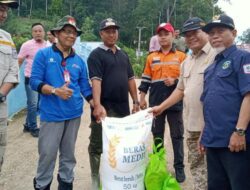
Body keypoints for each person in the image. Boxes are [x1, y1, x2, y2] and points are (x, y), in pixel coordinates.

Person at [30, 15, 103, 190]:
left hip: (74, 114)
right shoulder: (43, 54)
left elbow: (85, 86)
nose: (71, 36)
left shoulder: (78, 61)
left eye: (74, 33)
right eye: (67, 32)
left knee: (68, 155)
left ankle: (66, 183)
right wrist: (55, 90)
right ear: (56, 33)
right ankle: (42, 184)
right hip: (52, 115)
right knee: (47, 154)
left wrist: (96, 105)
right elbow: (34, 82)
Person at [150, 17, 216, 190]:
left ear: (206, 33)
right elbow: (181, 90)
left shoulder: (217, 54)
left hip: (213, 128)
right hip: (193, 126)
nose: (191, 37)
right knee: (197, 168)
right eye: (188, 34)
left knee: (216, 170)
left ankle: (182, 170)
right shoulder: (187, 61)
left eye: (196, 32)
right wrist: (160, 107)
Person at [87, 18, 140, 190]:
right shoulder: (96, 55)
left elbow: (131, 79)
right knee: (97, 145)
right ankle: (95, 177)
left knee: (120, 144)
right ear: (101, 33)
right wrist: (97, 105)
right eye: (108, 31)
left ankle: (118, 175)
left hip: (123, 108)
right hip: (104, 109)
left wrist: (136, 101)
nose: (112, 34)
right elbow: (96, 81)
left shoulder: (123, 54)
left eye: (114, 30)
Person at [200, 14, 250, 190]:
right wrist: (204, 133)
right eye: (211, 32)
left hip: (234, 142)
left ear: (234, 33)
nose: (214, 36)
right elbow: (208, 103)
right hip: (213, 141)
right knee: (216, 186)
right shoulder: (211, 68)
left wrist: (240, 131)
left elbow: (248, 96)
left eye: (220, 31)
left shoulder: (243, 58)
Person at [138, 22, 186, 183]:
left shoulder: (181, 56)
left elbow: (187, 79)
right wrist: (141, 98)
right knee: (157, 135)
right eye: (160, 34)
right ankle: (158, 165)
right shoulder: (151, 57)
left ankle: (179, 167)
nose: (163, 37)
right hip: (156, 104)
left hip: (175, 104)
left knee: (177, 135)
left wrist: (175, 80)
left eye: (166, 34)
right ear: (157, 37)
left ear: (173, 36)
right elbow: (145, 80)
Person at [18, 23, 47, 137]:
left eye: (40, 31)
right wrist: (13, 77)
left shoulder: (48, 46)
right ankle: (33, 128)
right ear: (32, 33)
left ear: (44, 32)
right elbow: (19, 61)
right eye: (35, 31)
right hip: (30, 78)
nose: (38, 33)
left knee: (35, 104)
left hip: (43, 80)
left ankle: (27, 124)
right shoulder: (26, 45)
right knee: (33, 103)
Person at [0, 0, 19, 173]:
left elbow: (14, 69)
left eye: (5, 10)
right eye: (0, 9)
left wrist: (1, 93)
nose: (4, 14)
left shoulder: (7, 38)